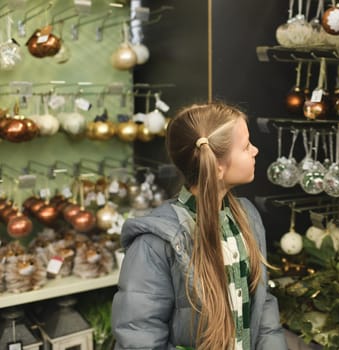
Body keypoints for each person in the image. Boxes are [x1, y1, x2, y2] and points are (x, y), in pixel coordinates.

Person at [111, 102, 287, 350]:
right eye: (246, 146)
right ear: (217, 167)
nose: (256, 150)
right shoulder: (155, 242)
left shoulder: (247, 217)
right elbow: (139, 336)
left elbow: (262, 302)